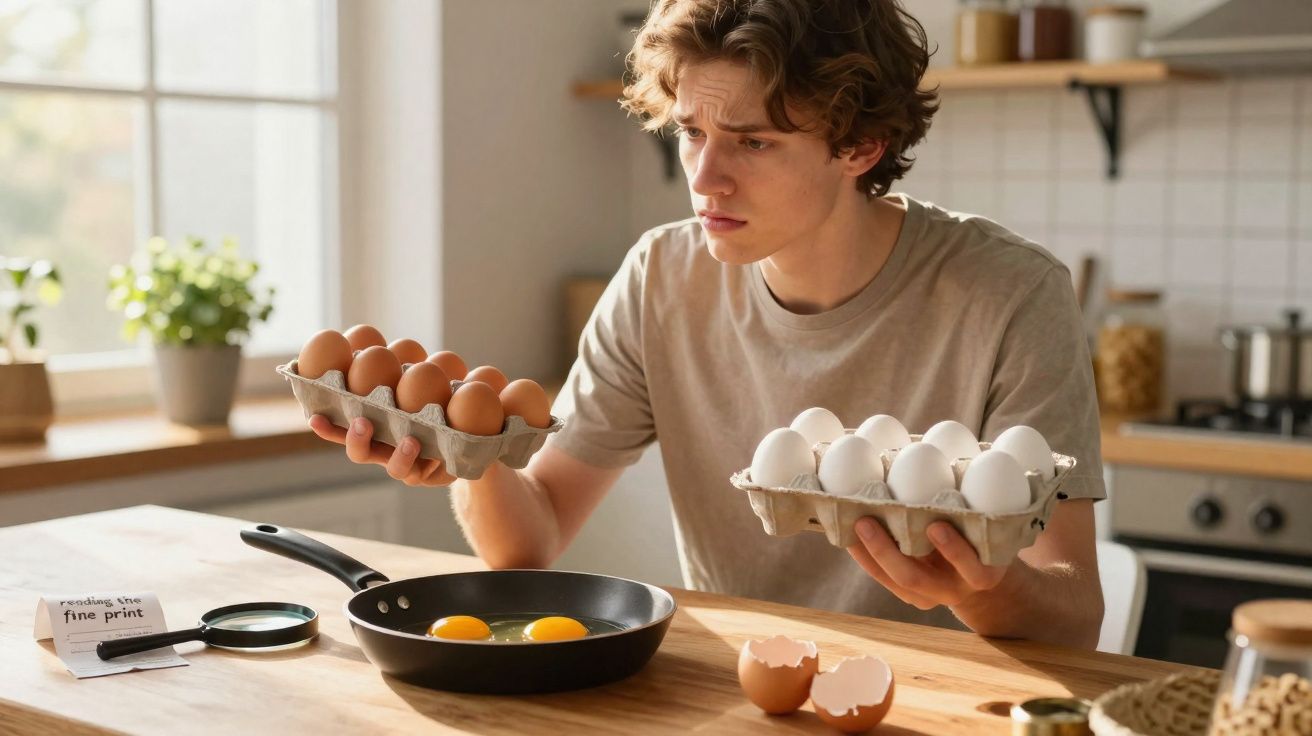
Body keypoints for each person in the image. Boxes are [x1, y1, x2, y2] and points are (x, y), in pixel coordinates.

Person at [310, 0, 1105, 649]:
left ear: (862, 145)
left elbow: (1075, 615)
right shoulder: (662, 278)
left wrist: (982, 587)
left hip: (943, 697)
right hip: (741, 691)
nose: (703, 177)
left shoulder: (1011, 294)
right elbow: (529, 540)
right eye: (692, 131)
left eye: (752, 142)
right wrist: (467, 456)